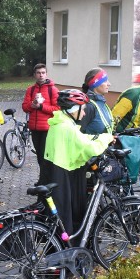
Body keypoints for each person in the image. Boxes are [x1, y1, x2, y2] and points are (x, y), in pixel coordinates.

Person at [45, 89, 113, 236]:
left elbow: (80, 140)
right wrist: (106, 138)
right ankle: (69, 253)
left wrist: (97, 136)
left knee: (60, 218)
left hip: (56, 172)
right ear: (74, 109)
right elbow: (90, 148)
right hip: (64, 176)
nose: (84, 114)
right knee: (68, 217)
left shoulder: (59, 123)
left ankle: (62, 248)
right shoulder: (67, 127)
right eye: (82, 110)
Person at [21, 63, 59, 185]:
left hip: (47, 128)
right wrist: (32, 105)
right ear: (34, 75)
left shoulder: (52, 89)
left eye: (43, 72)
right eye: (38, 73)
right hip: (34, 128)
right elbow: (24, 107)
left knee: (44, 156)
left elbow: (57, 109)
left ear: (46, 74)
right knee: (39, 156)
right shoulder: (30, 90)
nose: (41, 75)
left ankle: (44, 181)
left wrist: (41, 106)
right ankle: (46, 179)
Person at [80, 68, 114, 135]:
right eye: (105, 81)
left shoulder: (101, 103)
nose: (109, 84)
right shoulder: (88, 106)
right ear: (95, 84)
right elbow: (79, 134)